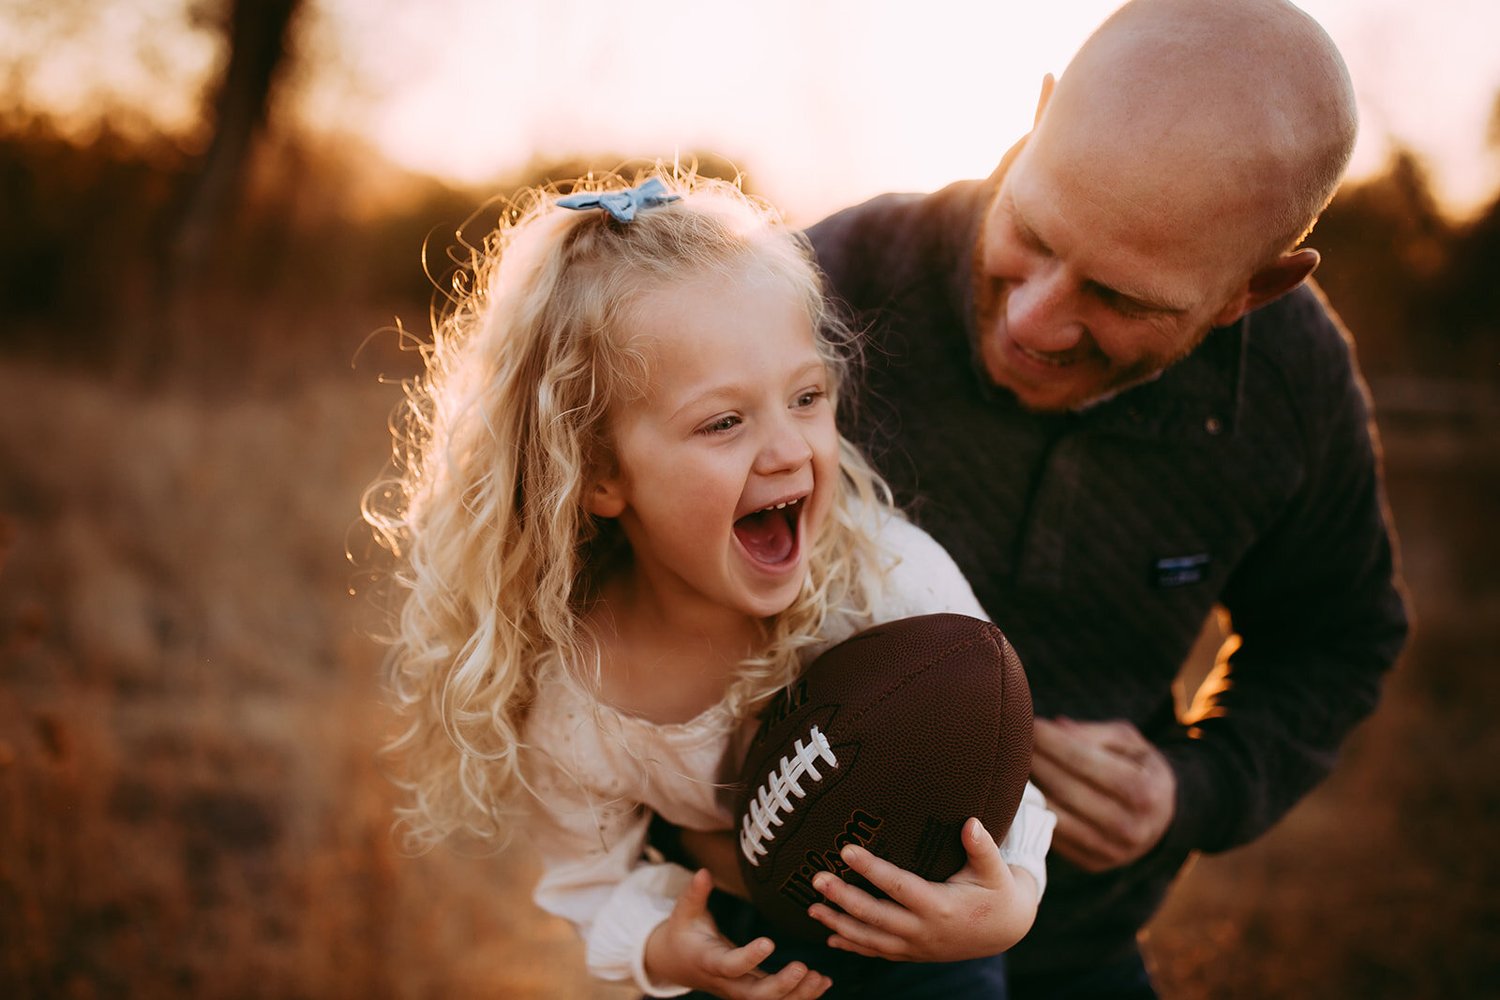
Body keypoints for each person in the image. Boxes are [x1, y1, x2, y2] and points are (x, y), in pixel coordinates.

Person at [784, 0, 1412, 996]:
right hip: (783, 934)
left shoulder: (1289, 384)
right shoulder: (821, 289)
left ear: (1252, 290)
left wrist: (1188, 788)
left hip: (1075, 947)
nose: (1033, 320)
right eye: (1030, 231)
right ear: (1039, 117)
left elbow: (1336, 638)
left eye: (1120, 297)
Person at [363, 174, 1055, 999]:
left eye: (806, 397)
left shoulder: (887, 578)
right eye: (724, 422)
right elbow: (590, 882)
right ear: (598, 472)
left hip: (923, 938)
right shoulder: (582, 696)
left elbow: (999, 768)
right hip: (733, 949)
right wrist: (665, 949)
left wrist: (1010, 903)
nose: (787, 451)